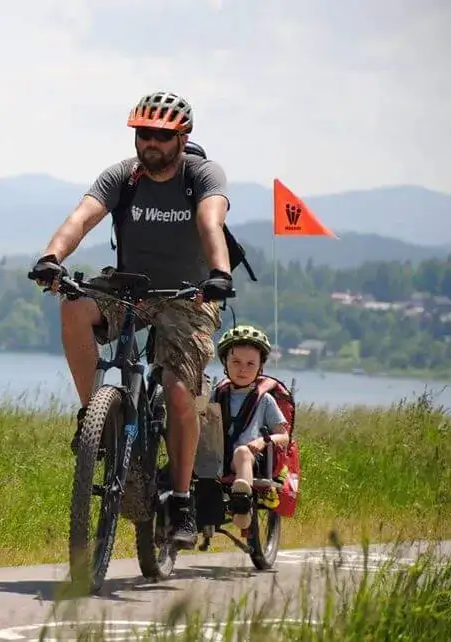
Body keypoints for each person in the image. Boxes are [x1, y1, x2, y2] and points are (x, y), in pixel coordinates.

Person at [29, 90, 235, 548]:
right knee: (73, 305)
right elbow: (82, 217)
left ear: (182, 137)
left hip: (190, 295)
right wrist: (51, 256)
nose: (151, 143)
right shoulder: (124, 176)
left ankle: (180, 500)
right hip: (131, 288)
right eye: (143, 134)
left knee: (181, 393)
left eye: (162, 135)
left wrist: (219, 272)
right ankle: (94, 420)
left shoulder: (200, 175)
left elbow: (209, 222)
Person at [214, 325, 291, 529]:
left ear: (260, 367)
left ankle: (242, 504)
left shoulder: (264, 400)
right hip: (215, 456)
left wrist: (262, 441)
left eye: (250, 364)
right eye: (236, 362)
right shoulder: (216, 395)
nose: (243, 369)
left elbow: (284, 436)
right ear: (225, 362)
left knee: (242, 452)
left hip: (249, 457)